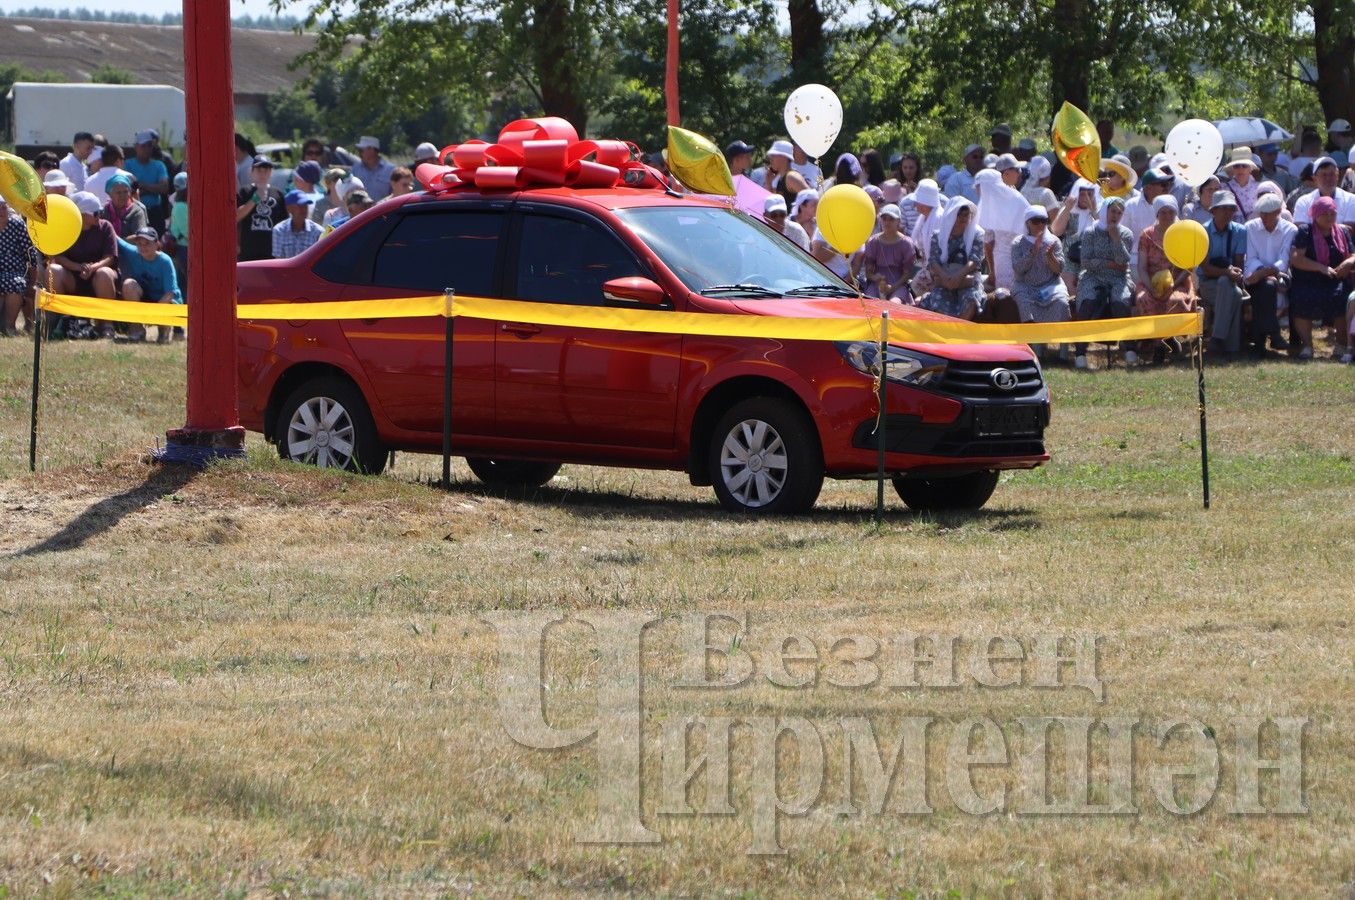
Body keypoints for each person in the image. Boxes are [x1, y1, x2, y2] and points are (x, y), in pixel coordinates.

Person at [1288, 195, 1353, 360]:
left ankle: (1341, 343)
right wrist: (1321, 268)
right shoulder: (1305, 231)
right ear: (1316, 214)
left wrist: (1347, 264)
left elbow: (1353, 255)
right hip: (1308, 277)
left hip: (1337, 277)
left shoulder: (1343, 232)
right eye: (1325, 214)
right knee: (1302, 296)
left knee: (1341, 297)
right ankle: (1307, 345)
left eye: (1333, 214)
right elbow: (1296, 258)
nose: (1330, 217)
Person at [1073, 196, 1134, 367]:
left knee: (1120, 302)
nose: (1115, 216)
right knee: (1087, 302)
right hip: (1092, 276)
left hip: (1118, 278)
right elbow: (1085, 261)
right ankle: (1080, 352)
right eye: (1112, 211)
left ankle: (1130, 349)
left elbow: (1123, 262)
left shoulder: (1126, 234)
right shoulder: (1090, 232)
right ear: (1105, 210)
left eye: (1119, 213)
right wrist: (1109, 263)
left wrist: (1116, 240)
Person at [1133, 195, 1195, 361]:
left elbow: (1189, 266)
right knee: (1145, 299)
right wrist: (1151, 286)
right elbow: (1141, 266)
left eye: (1170, 212)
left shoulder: (1182, 234)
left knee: (1175, 300)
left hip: (1178, 281)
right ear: (1157, 214)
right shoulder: (1147, 235)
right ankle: (1158, 344)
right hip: (1151, 281)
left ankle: (1168, 337)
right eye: (1163, 212)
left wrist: (1174, 284)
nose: (1167, 216)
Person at [51, 192, 119, 339]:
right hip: (74, 277)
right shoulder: (65, 229)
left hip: (99, 278)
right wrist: (78, 267)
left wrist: (92, 268)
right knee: (53, 270)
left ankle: (106, 324)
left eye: (100, 212)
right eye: (95, 213)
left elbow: (110, 257)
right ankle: (61, 321)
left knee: (104, 273)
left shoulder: (106, 227)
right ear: (81, 214)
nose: (99, 215)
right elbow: (59, 257)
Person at [1243, 192, 1297, 356]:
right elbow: (1250, 257)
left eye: (1269, 214)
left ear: (1278, 213)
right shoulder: (1250, 227)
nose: (1264, 217)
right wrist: (1261, 272)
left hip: (1280, 276)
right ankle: (1273, 334)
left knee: (1267, 286)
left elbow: (1284, 259)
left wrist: (1267, 272)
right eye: (1262, 214)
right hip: (1255, 274)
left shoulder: (1290, 229)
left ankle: (1259, 340)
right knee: (1266, 286)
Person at [1197, 191, 1250, 358]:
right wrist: (1227, 272)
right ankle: (1230, 347)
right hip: (1208, 284)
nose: (1228, 213)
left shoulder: (1240, 231)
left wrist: (1232, 273)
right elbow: (1205, 268)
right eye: (1223, 209)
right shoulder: (1202, 232)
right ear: (1213, 211)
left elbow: (1239, 263)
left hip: (1231, 283)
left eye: (1231, 209)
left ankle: (1218, 341)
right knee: (1228, 289)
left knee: (1230, 290)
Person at [921, 198, 985, 320]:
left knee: (971, 301)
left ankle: (960, 335)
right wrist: (945, 277)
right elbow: (933, 261)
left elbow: (975, 260)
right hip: (944, 280)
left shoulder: (977, 234)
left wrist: (958, 276)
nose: (963, 218)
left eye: (966, 215)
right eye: (959, 215)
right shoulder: (938, 235)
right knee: (938, 302)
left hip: (968, 280)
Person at [115, 225, 180, 342]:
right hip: (146, 297)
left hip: (166, 301)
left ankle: (164, 330)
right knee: (128, 284)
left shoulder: (165, 261)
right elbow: (117, 240)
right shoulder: (134, 252)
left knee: (168, 304)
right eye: (139, 243)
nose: (143, 247)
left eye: (147, 243)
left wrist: (153, 313)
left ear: (156, 244)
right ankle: (137, 329)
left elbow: (170, 293)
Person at [1010, 205, 1071, 325]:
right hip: (1026, 286)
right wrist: (1033, 252)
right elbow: (1018, 269)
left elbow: (1058, 270)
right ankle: (1034, 342)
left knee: (1062, 303)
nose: (1040, 225)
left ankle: (1063, 342)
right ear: (1027, 223)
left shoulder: (1054, 241)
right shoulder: (1018, 242)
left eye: (1043, 221)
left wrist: (1050, 256)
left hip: (1050, 285)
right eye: (1035, 221)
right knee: (1025, 304)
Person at [976, 162, 1027, 292]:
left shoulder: (988, 206)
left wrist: (992, 271)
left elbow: (987, 243)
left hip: (1003, 261)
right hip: (1025, 258)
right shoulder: (1018, 199)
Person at [0, 198, 41, 337]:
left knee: (16, 284)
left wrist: (33, 281)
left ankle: (9, 327)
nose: (0, 211)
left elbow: (30, 253)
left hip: (15, 272)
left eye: (3, 207)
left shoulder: (17, 224)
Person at [861, 204, 916, 302]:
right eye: (884, 218)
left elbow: (907, 274)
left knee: (895, 303)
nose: (887, 222)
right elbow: (868, 272)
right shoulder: (873, 241)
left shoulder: (906, 243)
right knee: (870, 303)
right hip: (876, 284)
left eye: (891, 219)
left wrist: (892, 288)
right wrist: (875, 277)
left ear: (898, 221)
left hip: (899, 284)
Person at [236, 155, 287, 262]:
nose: (263, 173)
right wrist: (255, 199)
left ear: (271, 172)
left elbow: (283, 224)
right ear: (251, 172)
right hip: (248, 252)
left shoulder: (278, 194)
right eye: (259, 169)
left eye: (267, 170)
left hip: (272, 253)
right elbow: (236, 216)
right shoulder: (245, 192)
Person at [123, 130, 170, 234]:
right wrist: (154, 189)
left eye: (149, 145)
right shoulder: (128, 165)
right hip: (134, 211)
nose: (147, 149)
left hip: (155, 212)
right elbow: (127, 190)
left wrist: (142, 186)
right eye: (143, 146)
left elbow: (164, 188)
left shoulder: (159, 165)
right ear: (136, 147)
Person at [907, 179, 944, 298]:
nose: (915, 204)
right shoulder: (925, 218)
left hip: (937, 270)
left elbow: (938, 249)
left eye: (918, 201)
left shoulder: (938, 218)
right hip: (927, 267)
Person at [1292, 157, 1355, 225]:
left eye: (1332, 174)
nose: (1328, 178)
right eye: (1323, 175)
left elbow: (1350, 230)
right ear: (1314, 178)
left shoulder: (1351, 199)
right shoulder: (1304, 202)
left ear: (1337, 176)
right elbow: (1301, 229)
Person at [272, 190, 324, 259]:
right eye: (299, 206)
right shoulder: (279, 230)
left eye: (305, 206)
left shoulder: (318, 232)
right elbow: (278, 261)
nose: (303, 210)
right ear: (289, 209)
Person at [1221, 146, 1262, 221]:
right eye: (1236, 166)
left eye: (1244, 166)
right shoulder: (1224, 188)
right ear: (1233, 169)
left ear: (1250, 168)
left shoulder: (1260, 188)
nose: (1240, 169)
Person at [101, 174, 149, 240]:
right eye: (118, 192)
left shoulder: (136, 211)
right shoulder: (104, 211)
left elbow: (139, 237)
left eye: (125, 192)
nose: (122, 195)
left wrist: (117, 242)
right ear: (110, 194)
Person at [351, 135, 396, 202]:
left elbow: (395, 193)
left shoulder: (391, 170)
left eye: (361, 150)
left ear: (371, 150)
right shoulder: (355, 169)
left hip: (384, 210)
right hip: (361, 212)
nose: (359, 153)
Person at [168, 171, 189, 310]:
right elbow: (188, 233)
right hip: (184, 250)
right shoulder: (180, 206)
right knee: (185, 285)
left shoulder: (180, 204)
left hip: (186, 250)